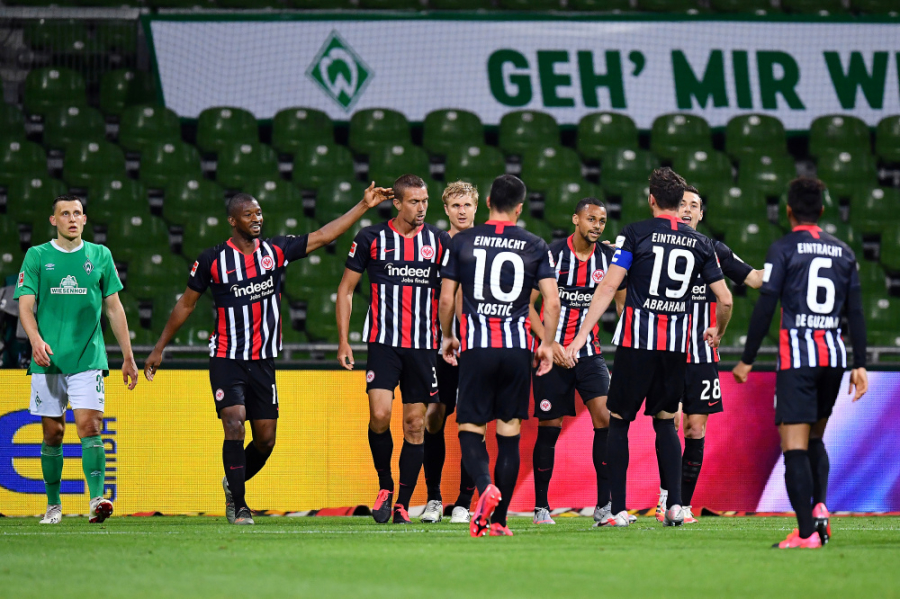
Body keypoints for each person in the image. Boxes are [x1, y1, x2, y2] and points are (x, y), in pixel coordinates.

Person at [144, 185, 389, 525]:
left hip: (263, 360)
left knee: (266, 439)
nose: (257, 219)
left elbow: (322, 236)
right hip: (227, 357)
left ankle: (233, 482)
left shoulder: (274, 251)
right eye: (249, 215)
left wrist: (363, 205)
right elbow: (187, 304)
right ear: (233, 221)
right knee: (234, 422)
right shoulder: (212, 260)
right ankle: (240, 505)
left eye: (259, 213)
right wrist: (159, 348)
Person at [565, 167, 732, 528]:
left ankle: (618, 511)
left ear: (652, 199)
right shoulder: (702, 244)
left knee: (621, 423)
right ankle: (674, 507)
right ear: (678, 202)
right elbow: (726, 298)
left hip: (636, 343)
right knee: (665, 424)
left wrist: (580, 337)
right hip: (675, 348)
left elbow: (609, 287)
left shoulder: (635, 234)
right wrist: (717, 330)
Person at [733, 177, 868, 549]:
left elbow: (765, 306)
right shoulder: (844, 252)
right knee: (817, 438)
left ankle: (806, 532)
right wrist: (860, 363)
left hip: (798, 360)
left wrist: (747, 359)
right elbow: (855, 312)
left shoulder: (783, 248)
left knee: (794, 444)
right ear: (822, 211)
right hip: (835, 358)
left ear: (789, 211)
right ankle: (820, 507)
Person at [440, 174, 561, 537]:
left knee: (470, 429)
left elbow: (447, 299)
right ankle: (499, 520)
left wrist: (448, 336)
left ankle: (484, 485)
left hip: (477, 347)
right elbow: (552, 302)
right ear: (520, 208)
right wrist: (546, 345)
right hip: (516, 350)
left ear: (488, 200)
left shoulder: (462, 241)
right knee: (509, 434)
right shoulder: (535, 244)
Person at [15, 194, 139, 525]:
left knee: (89, 426)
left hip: (88, 356)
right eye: (65, 213)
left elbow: (114, 308)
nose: (72, 218)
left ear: (85, 219)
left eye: (78, 213)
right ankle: (54, 505)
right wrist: (36, 340)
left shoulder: (100, 255)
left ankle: (97, 499)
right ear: (53, 220)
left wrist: (128, 356)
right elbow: (25, 305)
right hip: (49, 358)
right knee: (53, 433)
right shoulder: (38, 256)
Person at [336, 175, 452, 525]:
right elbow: (345, 290)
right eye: (414, 201)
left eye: (425, 201)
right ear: (397, 203)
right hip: (383, 343)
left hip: (423, 346)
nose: (421, 208)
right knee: (381, 415)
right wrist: (343, 340)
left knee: (415, 424)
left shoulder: (439, 240)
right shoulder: (371, 238)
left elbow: (451, 292)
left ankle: (402, 502)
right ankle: (384, 485)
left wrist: (451, 335)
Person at [653, 186, 764, 524]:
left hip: (701, 356)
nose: (687, 209)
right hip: (667, 352)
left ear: (702, 215)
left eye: (695, 205)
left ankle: (682, 505)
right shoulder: (656, 244)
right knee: (668, 423)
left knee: (695, 429)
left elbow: (755, 279)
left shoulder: (713, 250)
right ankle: (665, 499)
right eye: (683, 203)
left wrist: (789, 265)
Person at [527, 197, 627, 526]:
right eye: (591, 219)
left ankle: (603, 506)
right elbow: (528, 306)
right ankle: (541, 507)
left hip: (589, 353)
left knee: (607, 419)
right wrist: (549, 342)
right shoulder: (551, 255)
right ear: (575, 220)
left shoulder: (610, 259)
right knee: (549, 427)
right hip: (551, 354)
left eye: (602, 220)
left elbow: (623, 306)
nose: (597, 225)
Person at [421, 181, 479, 525]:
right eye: (455, 205)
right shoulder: (435, 244)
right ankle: (432, 499)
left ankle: (463, 502)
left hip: (476, 345)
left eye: (467, 205)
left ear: (476, 208)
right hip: (438, 344)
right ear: (446, 209)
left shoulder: (484, 243)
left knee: (473, 422)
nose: (461, 210)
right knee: (433, 417)